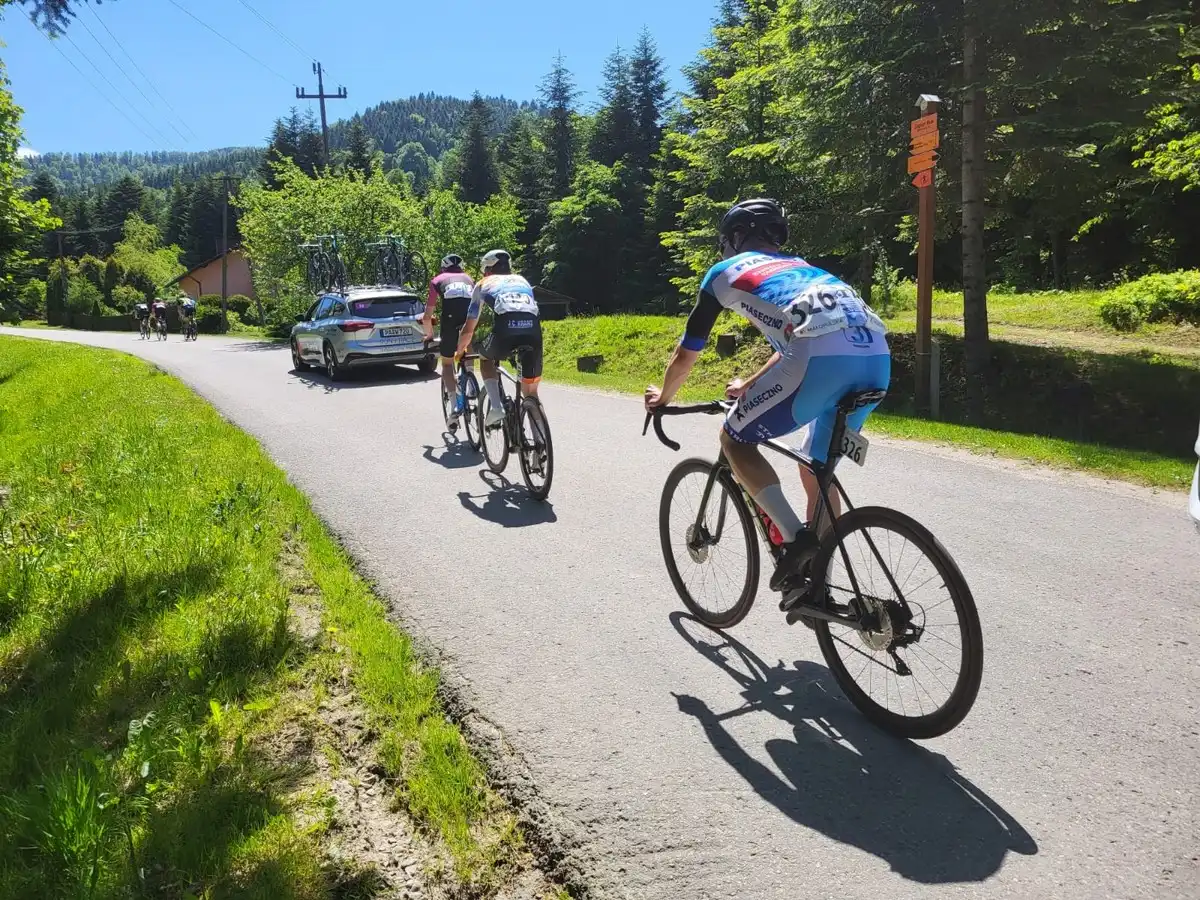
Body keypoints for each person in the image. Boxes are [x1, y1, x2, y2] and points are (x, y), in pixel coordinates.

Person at [645, 198, 890, 593]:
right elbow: (798, 336)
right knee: (818, 473)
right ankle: (818, 587)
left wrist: (663, 399)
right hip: (876, 357)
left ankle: (796, 540)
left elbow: (687, 352)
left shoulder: (724, 272)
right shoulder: (804, 268)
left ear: (737, 237)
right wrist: (750, 384)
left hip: (819, 360)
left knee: (733, 438)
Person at [455, 249, 542, 427]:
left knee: (485, 359)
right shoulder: (523, 280)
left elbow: (469, 328)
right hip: (533, 332)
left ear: (487, 269)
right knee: (531, 393)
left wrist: (459, 351)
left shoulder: (482, 283)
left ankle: (496, 406)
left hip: (505, 331)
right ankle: (541, 446)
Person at [423, 254, 476, 429]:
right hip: (469, 321)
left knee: (446, 364)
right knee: (468, 350)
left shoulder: (437, 280)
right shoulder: (469, 279)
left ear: (443, 267)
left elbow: (427, 316)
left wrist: (429, 335)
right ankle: (470, 383)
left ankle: (454, 405)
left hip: (450, 322)